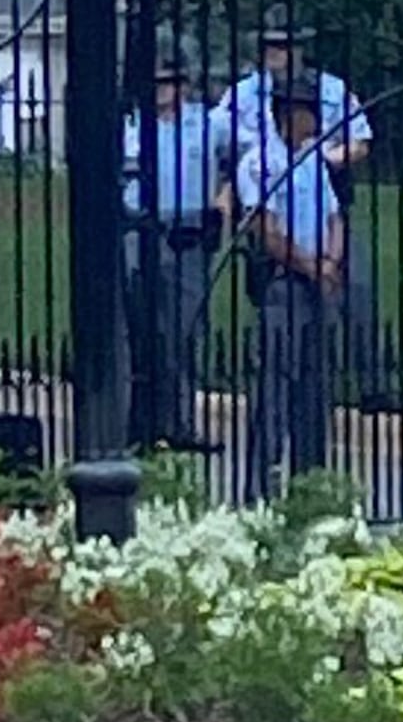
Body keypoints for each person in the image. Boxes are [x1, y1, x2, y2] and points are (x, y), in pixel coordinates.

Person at [233, 70, 348, 486]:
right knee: (275, 385)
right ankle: (261, 487)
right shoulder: (261, 162)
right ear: (287, 114)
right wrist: (312, 266)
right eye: (308, 111)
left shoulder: (312, 157)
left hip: (320, 278)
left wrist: (332, 260)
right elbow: (266, 231)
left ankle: (310, 481)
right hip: (282, 280)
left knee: (315, 386)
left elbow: (335, 214)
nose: (316, 119)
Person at [129, 32, 229, 448]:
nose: (160, 91)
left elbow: (239, 163)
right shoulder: (130, 127)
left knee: (184, 330)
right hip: (139, 229)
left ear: (183, 85)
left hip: (186, 230)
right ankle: (138, 425)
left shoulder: (207, 125)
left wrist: (221, 206)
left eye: (167, 82)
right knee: (139, 329)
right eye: (153, 84)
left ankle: (181, 422)